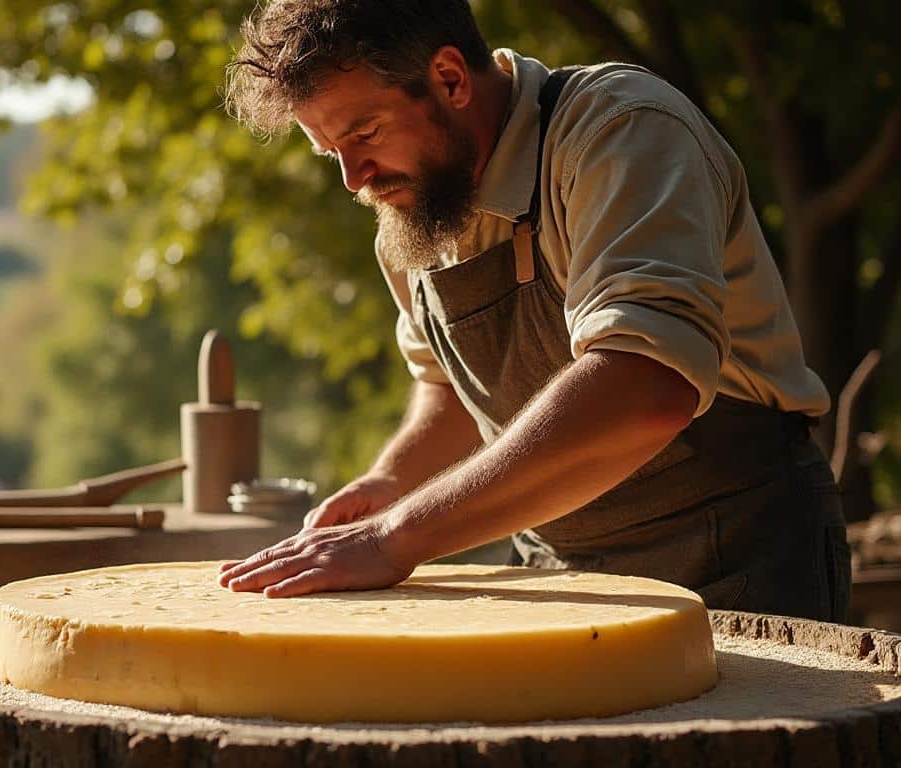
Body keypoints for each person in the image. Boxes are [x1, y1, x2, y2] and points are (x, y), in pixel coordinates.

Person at [215, 0, 851, 622]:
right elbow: (451, 387)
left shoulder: (621, 132)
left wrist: (396, 537)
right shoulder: (414, 211)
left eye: (365, 133)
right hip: (556, 575)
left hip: (735, 558)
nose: (354, 178)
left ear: (449, 78)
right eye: (332, 153)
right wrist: (391, 482)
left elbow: (645, 386)